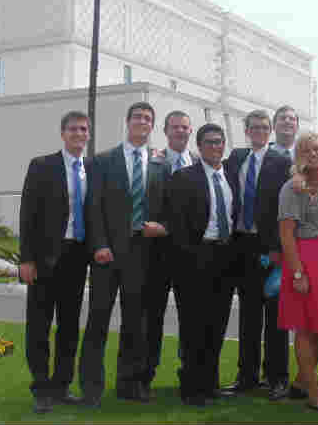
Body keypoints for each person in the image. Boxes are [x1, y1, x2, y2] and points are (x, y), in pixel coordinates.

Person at [79, 102, 171, 406]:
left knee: (135, 322)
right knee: (98, 319)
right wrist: (99, 245)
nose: (142, 122)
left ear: (152, 125)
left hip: (142, 253)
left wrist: (162, 227)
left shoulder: (161, 165)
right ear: (128, 121)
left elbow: (168, 209)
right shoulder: (103, 161)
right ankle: (91, 388)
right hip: (108, 253)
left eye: (148, 119)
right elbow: (93, 207)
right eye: (137, 117)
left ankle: (129, 385)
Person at [270, 105, 318, 389]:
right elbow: (286, 235)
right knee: (305, 327)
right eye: (308, 150)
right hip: (307, 258)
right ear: (299, 156)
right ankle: (314, 393)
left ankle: (302, 381)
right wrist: (298, 273)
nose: (314, 154)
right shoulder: (292, 188)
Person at [18, 111, 92, 414]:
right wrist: (26, 259)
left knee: (69, 326)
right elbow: (28, 214)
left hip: (77, 257)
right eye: (73, 129)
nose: (78, 133)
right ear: (63, 134)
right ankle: (41, 388)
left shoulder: (92, 169)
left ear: (88, 134)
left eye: (83, 129)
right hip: (46, 257)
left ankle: (62, 386)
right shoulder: (42, 166)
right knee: (39, 325)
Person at [168, 123, 239, 406]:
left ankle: (210, 384)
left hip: (225, 258)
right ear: (200, 146)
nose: (215, 147)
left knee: (217, 325)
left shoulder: (231, 176)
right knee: (194, 327)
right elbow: (177, 224)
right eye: (209, 142)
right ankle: (192, 387)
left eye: (219, 142)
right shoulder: (184, 177)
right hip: (195, 259)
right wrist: (190, 257)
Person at [223, 110, 292, 401]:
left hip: (270, 250)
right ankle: (247, 376)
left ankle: (277, 378)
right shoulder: (236, 158)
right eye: (255, 127)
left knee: (275, 315)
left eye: (265, 127)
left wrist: (278, 248)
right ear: (246, 130)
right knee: (249, 315)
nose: (260, 131)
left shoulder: (282, 161)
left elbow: (286, 205)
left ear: (270, 130)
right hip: (242, 246)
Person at [142, 110, 199, 391]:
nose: (180, 131)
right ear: (166, 131)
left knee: (191, 317)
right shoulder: (154, 163)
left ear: (191, 131)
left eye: (185, 127)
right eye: (175, 127)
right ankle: (145, 375)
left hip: (190, 256)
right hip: (158, 254)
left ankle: (189, 373)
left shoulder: (200, 163)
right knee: (152, 317)